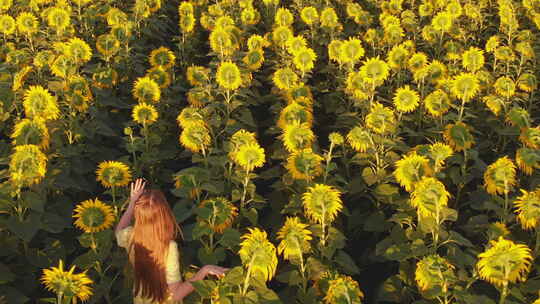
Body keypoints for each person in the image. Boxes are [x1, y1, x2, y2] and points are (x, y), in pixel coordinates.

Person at [115, 178, 228, 303]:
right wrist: (203, 271)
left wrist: (132, 202)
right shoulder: (169, 248)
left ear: (137, 215)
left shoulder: (131, 236)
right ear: (166, 214)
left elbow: (119, 230)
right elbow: (176, 295)